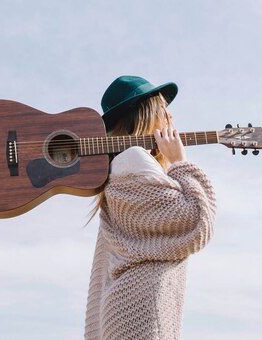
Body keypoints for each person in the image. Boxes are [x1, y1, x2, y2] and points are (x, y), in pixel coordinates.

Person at [84, 75, 217, 340]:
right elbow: (194, 220)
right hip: (141, 312)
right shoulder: (134, 159)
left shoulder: (118, 169)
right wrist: (179, 161)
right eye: (163, 108)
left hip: (125, 309)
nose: (171, 116)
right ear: (145, 113)